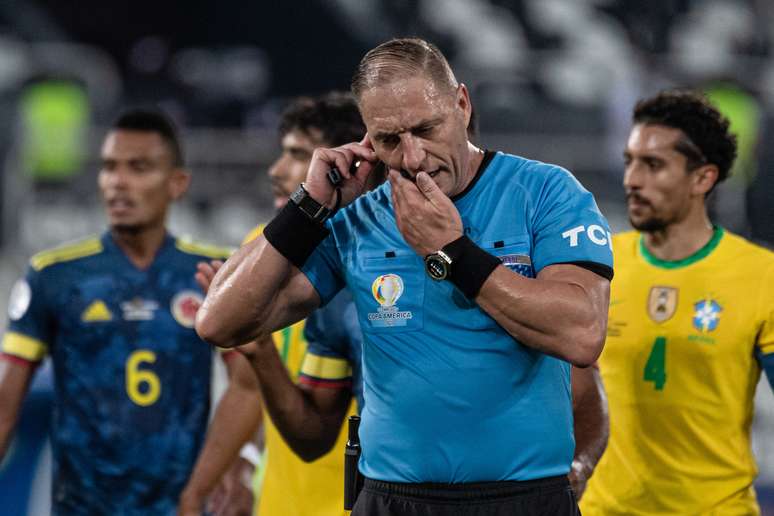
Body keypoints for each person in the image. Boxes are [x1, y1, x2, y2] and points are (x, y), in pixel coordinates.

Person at [197, 38, 613, 515]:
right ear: (367, 139)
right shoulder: (359, 219)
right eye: (390, 139)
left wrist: (451, 251)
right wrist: (308, 206)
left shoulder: (546, 192)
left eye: (427, 129)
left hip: (523, 498)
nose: (414, 158)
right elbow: (218, 323)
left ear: (461, 103)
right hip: (393, 500)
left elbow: (582, 333)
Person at [0, 108, 246, 515]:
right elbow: (6, 408)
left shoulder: (213, 272)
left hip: (181, 504)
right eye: (109, 167)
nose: (118, 182)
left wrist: (232, 468)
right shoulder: (55, 276)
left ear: (177, 183)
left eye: (139, 167)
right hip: (80, 505)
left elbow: (248, 384)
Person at [580, 90, 774, 515]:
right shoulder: (597, 265)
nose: (632, 179)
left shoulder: (762, 276)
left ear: (702, 178)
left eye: (653, 165)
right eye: (630, 161)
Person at [180, 92, 370, 516]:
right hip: (281, 502)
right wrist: (226, 473)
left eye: (298, 155)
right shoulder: (259, 257)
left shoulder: (372, 262)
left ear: (351, 163)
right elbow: (247, 387)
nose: (277, 171)